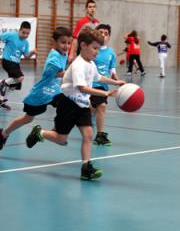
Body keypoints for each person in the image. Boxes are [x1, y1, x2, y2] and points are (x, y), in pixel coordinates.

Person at [25, 29, 126, 181]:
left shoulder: (90, 64)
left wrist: (115, 82)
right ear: (83, 45)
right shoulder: (78, 64)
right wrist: (105, 94)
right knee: (61, 139)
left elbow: (98, 77)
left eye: (99, 48)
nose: (97, 52)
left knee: (88, 134)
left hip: (82, 104)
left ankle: (86, 168)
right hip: (68, 104)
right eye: (95, 48)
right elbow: (82, 88)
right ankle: (39, 132)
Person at [0, 27, 72, 150]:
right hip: (41, 93)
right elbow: (59, 74)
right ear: (54, 42)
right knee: (27, 118)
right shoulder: (54, 58)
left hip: (54, 91)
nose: (66, 46)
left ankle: (55, 132)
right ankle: (2, 133)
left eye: (68, 43)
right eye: (63, 42)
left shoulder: (64, 54)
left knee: (66, 105)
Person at [0, 21, 37, 110]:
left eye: (27, 33)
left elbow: (26, 56)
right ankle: (3, 83)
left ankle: (2, 101)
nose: (25, 35)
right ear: (19, 30)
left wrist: (32, 52)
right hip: (7, 61)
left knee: (14, 85)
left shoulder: (26, 43)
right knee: (20, 77)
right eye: (23, 32)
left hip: (16, 64)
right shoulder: (12, 35)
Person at [90, 24, 120, 146]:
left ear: (109, 37)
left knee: (98, 107)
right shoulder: (92, 49)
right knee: (98, 107)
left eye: (106, 33)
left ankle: (100, 134)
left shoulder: (111, 52)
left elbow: (111, 67)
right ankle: (99, 134)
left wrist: (114, 76)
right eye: (100, 32)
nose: (103, 35)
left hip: (103, 85)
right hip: (90, 84)